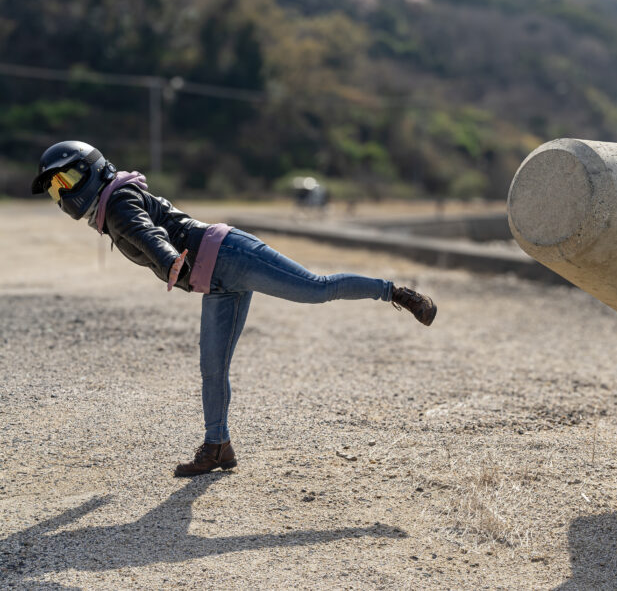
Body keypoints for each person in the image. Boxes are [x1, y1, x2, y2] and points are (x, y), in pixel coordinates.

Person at [31, 141, 437, 477]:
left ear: (93, 171)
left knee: (316, 289)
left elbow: (147, 231)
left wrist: (169, 257)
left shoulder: (118, 201)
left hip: (229, 255)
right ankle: (218, 446)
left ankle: (396, 293)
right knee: (212, 366)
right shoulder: (111, 206)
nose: (62, 193)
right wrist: (175, 262)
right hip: (215, 281)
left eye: (65, 180)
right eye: (54, 189)